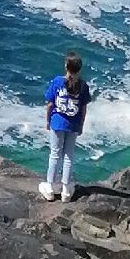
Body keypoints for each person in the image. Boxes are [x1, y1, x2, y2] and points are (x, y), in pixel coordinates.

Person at [42, 52, 89, 202]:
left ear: (66, 66)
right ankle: (66, 190)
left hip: (57, 122)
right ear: (79, 69)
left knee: (55, 153)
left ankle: (49, 187)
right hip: (73, 125)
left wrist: (48, 121)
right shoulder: (83, 86)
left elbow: (50, 104)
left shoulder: (57, 81)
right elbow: (83, 109)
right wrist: (81, 125)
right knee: (69, 155)